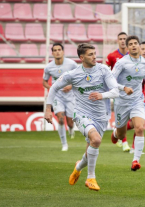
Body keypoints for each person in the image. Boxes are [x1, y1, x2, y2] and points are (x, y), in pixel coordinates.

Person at [44, 43, 132, 191]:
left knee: (90, 149)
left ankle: (78, 167)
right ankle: (91, 178)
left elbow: (115, 92)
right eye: (90, 54)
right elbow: (53, 87)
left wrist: (101, 95)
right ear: (82, 57)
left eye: (94, 53)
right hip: (81, 114)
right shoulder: (73, 74)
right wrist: (48, 109)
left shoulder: (103, 70)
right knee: (96, 140)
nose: (94, 56)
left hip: (101, 117)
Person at [111, 36, 145, 171]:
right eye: (130, 44)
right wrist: (123, 88)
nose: (133, 46)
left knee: (140, 128)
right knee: (121, 135)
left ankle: (136, 161)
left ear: (138, 45)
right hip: (121, 101)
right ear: (127, 47)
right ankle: (116, 133)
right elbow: (111, 80)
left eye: (135, 43)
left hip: (137, 100)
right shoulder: (121, 63)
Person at [42, 43, 78, 151]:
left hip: (70, 96)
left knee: (70, 122)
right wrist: (52, 88)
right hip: (58, 96)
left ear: (63, 51)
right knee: (61, 119)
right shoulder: (48, 67)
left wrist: (71, 86)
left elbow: (79, 77)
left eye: (59, 49)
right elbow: (44, 82)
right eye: (55, 50)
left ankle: (71, 129)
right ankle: (64, 144)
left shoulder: (71, 64)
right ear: (52, 53)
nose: (57, 52)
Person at [106, 31, 131, 152]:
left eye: (124, 39)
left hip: (131, 91)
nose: (122, 40)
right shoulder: (112, 56)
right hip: (118, 91)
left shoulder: (133, 56)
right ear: (117, 40)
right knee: (121, 116)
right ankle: (124, 142)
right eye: (120, 38)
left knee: (131, 119)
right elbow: (107, 72)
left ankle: (117, 133)